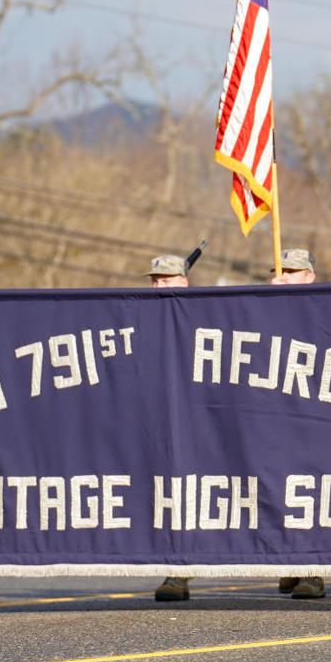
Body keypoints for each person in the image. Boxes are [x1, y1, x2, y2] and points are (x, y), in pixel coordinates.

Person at [270, 249, 329, 598]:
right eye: (281, 271)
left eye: (293, 271)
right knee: (278, 491)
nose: (286, 276)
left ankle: (314, 571)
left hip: (311, 417)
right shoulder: (263, 305)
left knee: (309, 492)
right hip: (274, 416)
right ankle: (291, 563)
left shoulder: (321, 308)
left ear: (309, 276)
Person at [148, 254, 197, 602]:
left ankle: (300, 568)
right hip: (158, 419)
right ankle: (176, 573)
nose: (159, 285)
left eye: (166, 279)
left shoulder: (202, 314)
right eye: (155, 279)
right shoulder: (138, 315)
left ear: (184, 281)